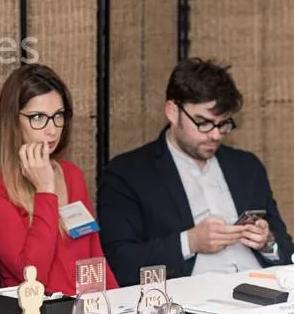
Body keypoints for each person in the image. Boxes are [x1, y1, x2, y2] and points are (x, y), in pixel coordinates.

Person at [98, 58, 294, 286]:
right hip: (192, 295)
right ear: (173, 111)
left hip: (267, 289)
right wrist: (189, 242)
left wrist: (267, 241)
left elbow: (286, 248)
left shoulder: (247, 167)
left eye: (223, 124)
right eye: (203, 123)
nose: (215, 135)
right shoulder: (128, 173)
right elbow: (121, 262)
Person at [0, 64, 118, 296]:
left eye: (58, 116)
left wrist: (118, 302)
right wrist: (45, 191)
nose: (52, 130)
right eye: (38, 117)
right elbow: (32, 275)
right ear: (12, 120)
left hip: (85, 306)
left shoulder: (71, 174)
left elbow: (95, 259)